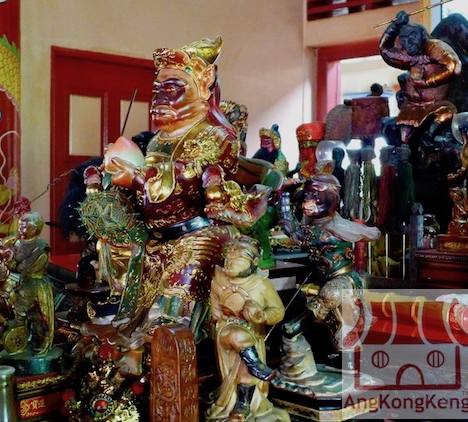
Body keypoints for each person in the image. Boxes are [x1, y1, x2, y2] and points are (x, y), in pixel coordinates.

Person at [97, 36, 265, 339]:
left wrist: (137, 177)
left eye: (172, 89)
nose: (159, 98)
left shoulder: (217, 135)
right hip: (157, 240)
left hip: (196, 237)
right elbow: (148, 189)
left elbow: (187, 180)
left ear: (203, 86)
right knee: (130, 315)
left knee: (167, 325)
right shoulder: (157, 140)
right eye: (157, 90)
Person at [278, 174, 380, 372]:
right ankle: (348, 363)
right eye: (307, 196)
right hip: (334, 280)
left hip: (341, 281)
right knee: (340, 324)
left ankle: (295, 328)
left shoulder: (330, 230)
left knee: (338, 314)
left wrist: (284, 197)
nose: (307, 202)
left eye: (314, 196)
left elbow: (291, 229)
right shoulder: (320, 225)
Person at [206, 236, 289, 421]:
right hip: (227, 331)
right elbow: (215, 313)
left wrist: (261, 315)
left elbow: (278, 311)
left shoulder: (262, 285)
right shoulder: (218, 282)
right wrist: (219, 322)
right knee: (236, 334)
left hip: (253, 334)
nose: (230, 262)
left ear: (254, 261)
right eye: (228, 258)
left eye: (237, 259)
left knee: (245, 369)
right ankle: (255, 364)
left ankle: (243, 405)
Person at [379, 10, 462, 145]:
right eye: (404, 38)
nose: (409, 41)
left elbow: (453, 66)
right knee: (404, 136)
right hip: (412, 105)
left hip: (436, 104)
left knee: (447, 113)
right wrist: (395, 26)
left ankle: (429, 136)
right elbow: (385, 49)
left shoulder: (434, 47)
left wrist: (427, 82)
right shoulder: (409, 56)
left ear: (423, 36)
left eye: (413, 36)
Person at [1, 211, 55, 354]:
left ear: (34, 229)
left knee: (30, 309)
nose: (20, 230)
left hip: (35, 283)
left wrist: (13, 264)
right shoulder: (18, 243)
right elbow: (12, 263)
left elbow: (25, 268)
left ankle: (38, 336)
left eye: (24, 227)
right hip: (20, 280)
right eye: (20, 226)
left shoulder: (40, 247)